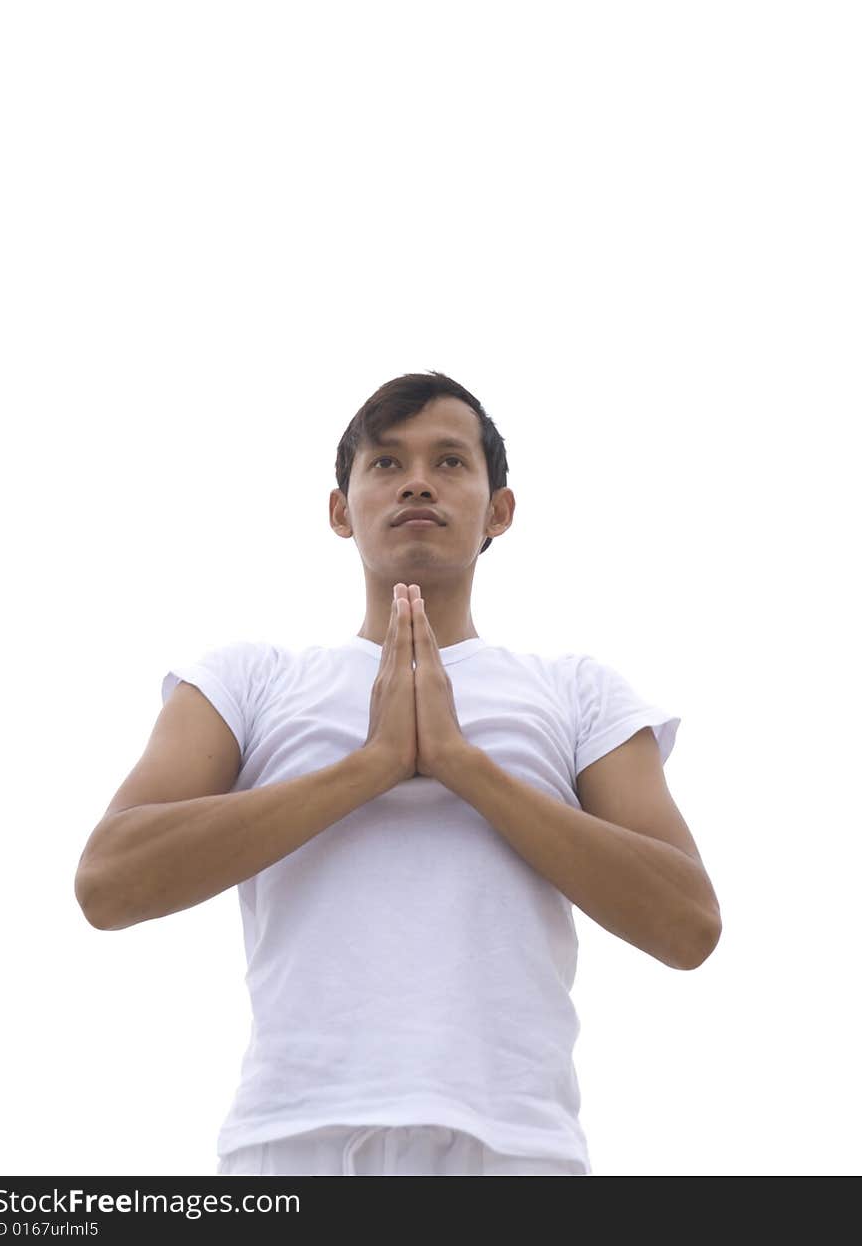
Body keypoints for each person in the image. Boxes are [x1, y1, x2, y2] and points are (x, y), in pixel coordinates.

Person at [74, 369, 722, 1177]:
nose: (418, 480)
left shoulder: (580, 691)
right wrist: (372, 767)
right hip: (294, 1139)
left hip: (515, 1149)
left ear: (500, 509)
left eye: (450, 462)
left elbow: (688, 924)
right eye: (385, 463)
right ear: (341, 510)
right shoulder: (247, 678)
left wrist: (460, 763)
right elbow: (109, 881)